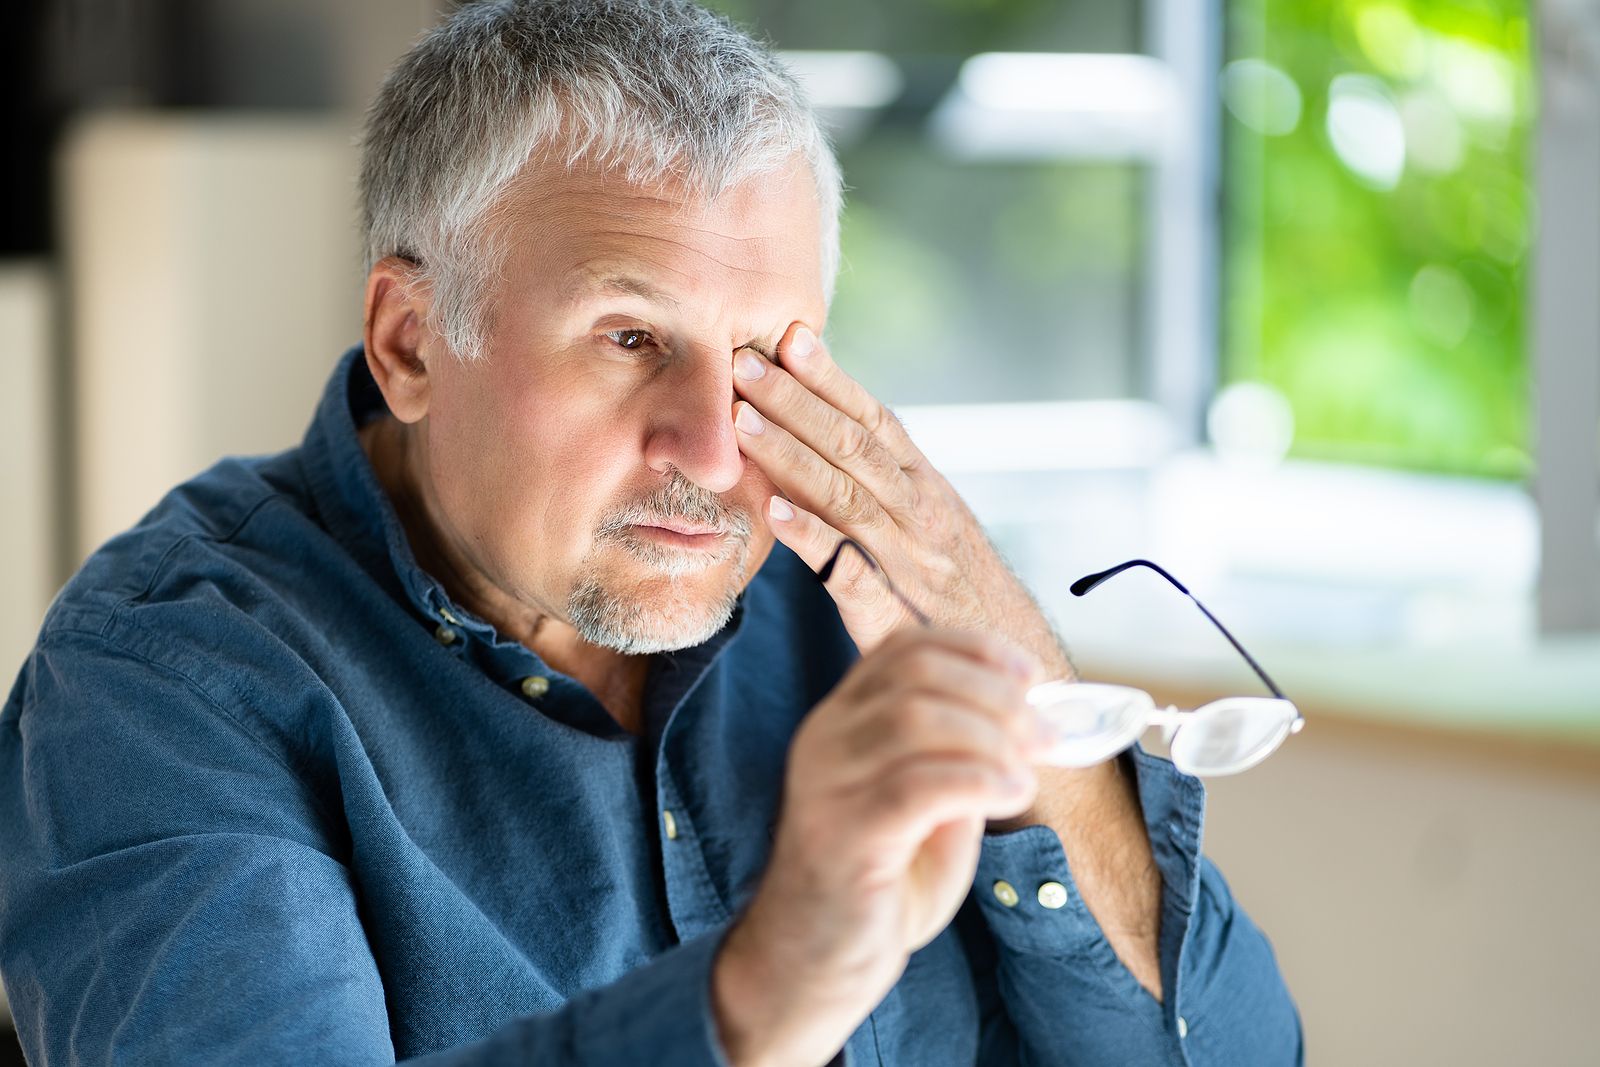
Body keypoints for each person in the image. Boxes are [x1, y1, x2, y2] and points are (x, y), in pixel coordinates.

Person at [0, 1, 1303, 1063]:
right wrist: (765, 991)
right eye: (631, 339)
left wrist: (1029, 697)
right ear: (410, 342)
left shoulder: (869, 608)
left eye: (760, 356)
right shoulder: (163, 679)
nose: (716, 450)